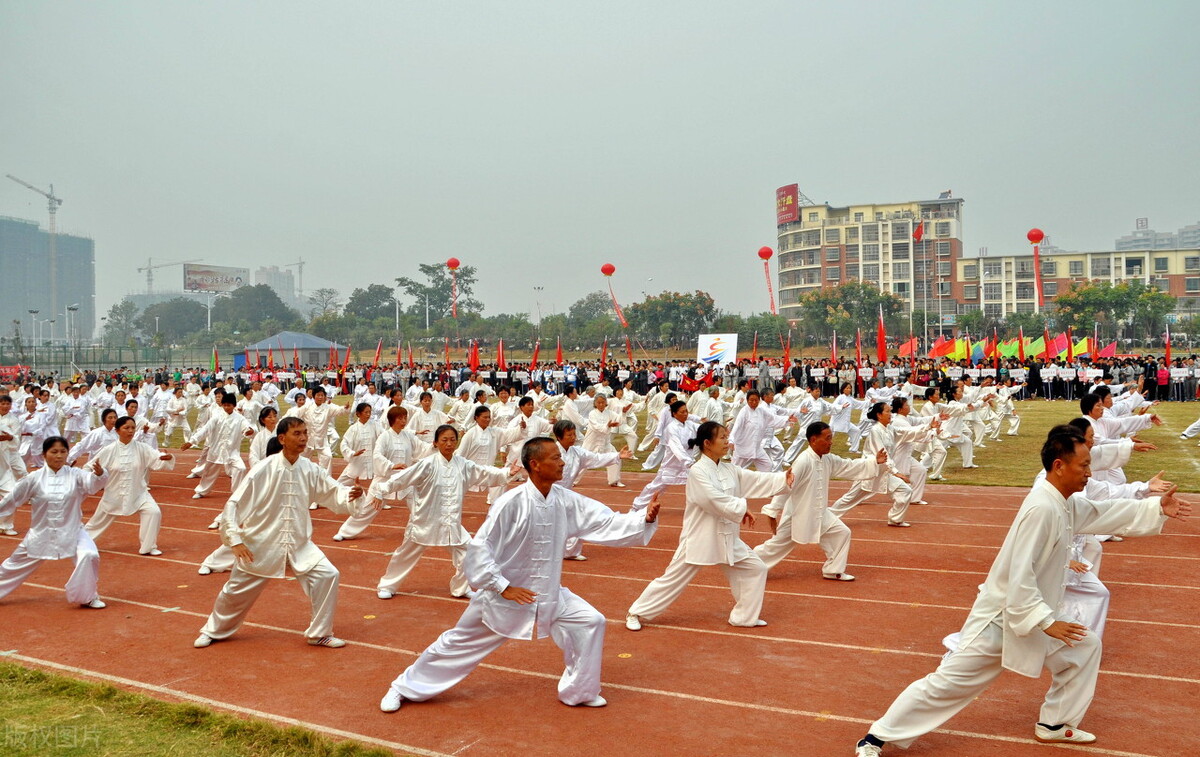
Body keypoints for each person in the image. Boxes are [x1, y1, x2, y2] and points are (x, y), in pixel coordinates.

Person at [852, 426, 1191, 756]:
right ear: (1059, 466)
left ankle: (1055, 725)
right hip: (1001, 620)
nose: (1090, 473)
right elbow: (1020, 575)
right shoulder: (1041, 507)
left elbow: (1101, 512)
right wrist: (1047, 622)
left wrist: (1154, 507)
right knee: (947, 684)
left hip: (1034, 613)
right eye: (1085, 465)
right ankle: (875, 738)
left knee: (1084, 647)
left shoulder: (1063, 501)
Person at [378, 436, 661, 713]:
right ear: (535, 464)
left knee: (590, 622)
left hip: (549, 593)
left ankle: (580, 691)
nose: (563, 463)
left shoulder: (565, 499)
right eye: (556, 458)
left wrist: (643, 519)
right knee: (457, 644)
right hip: (502, 597)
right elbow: (479, 549)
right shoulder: (510, 503)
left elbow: (605, 521)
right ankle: (403, 687)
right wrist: (502, 586)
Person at [194, 417, 367, 649]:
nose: (304, 438)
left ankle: (319, 633)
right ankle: (213, 630)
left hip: (299, 544)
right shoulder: (263, 469)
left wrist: (352, 495)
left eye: (305, 432)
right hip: (261, 545)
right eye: (297, 433)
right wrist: (233, 540)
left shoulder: (310, 469)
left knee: (328, 575)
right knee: (235, 592)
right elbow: (235, 503)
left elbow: (334, 492)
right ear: (282, 439)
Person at [625, 421, 791, 631]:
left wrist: (783, 479)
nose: (727, 441)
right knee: (672, 579)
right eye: (722, 437)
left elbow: (756, 480)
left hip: (727, 537)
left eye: (726, 436)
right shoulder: (697, 472)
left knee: (756, 568)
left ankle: (743, 617)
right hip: (700, 537)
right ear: (707, 443)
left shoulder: (730, 468)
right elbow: (712, 499)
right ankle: (636, 611)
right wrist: (741, 507)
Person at [369, 425, 515, 600]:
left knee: (471, 552)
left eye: (453, 440)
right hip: (424, 521)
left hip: (451, 522)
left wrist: (506, 472)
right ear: (436, 443)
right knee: (404, 555)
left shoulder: (462, 464)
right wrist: (380, 490)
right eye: (444, 440)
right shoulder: (427, 464)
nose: (449, 444)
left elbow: (483, 472)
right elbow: (403, 477)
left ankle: (461, 588)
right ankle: (387, 586)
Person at [753, 421, 885, 582]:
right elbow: (786, 486)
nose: (831, 442)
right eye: (828, 438)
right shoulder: (803, 461)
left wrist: (873, 462)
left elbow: (847, 466)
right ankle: (748, 565)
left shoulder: (827, 458)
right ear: (813, 440)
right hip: (798, 514)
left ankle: (833, 570)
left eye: (831, 438)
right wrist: (772, 511)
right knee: (776, 546)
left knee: (841, 533)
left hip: (820, 512)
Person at [0, 437, 109, 609]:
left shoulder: (76, 475)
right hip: (41, 533)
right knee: (12, 566)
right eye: (54, 452)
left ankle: (87, 596)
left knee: (89, 554)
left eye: (63, 451)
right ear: (44, 455)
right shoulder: (34, 478)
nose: (59, 456)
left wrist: (100, 475)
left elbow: (91, 485)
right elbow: (12, 499)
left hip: (73, 530)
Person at [84, 416, 176, 556]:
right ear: (117, 431)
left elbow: (157, 459)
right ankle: (80, 543)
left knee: (153, 512)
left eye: (133, 427)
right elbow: (89, 467)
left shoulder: (142, 448)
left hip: (138, 492)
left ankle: (148, 546)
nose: (131, 431)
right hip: (114, 493)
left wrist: (167, 458)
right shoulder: (109, 450)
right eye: (126, 428)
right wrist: (97, 473)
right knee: (96, 523)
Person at [181, 392, 254, 500]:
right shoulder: (217, 417)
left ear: (234, 406)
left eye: (229, 405)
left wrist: (250, 431)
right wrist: (192, 441)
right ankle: (202, 491)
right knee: (209, 472)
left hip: (232, 452)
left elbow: (247, 428)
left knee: (241, 468)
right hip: (215, 450)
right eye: (224, 405)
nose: (226, 407)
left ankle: (237, 493)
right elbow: (205, 430)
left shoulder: (240, 419)